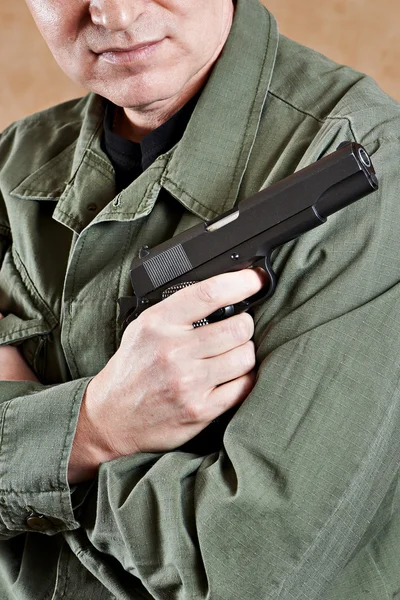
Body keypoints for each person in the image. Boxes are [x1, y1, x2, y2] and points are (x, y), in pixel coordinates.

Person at [0, 0, 399, 597]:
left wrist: (48, 444)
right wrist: (96, 427)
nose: (112, 11)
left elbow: (248, 568)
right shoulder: (12, 163)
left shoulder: (365, 161)